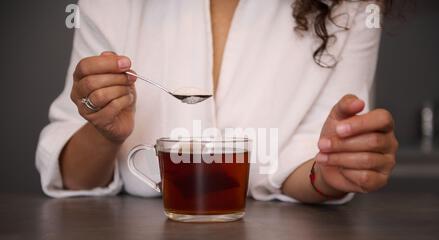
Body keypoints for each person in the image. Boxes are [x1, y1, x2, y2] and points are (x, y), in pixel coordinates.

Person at [36, 0, 398, 204]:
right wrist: (104, 133)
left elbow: (308, 160)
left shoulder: (353, 6)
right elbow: (73, 178)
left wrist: (330, 171)